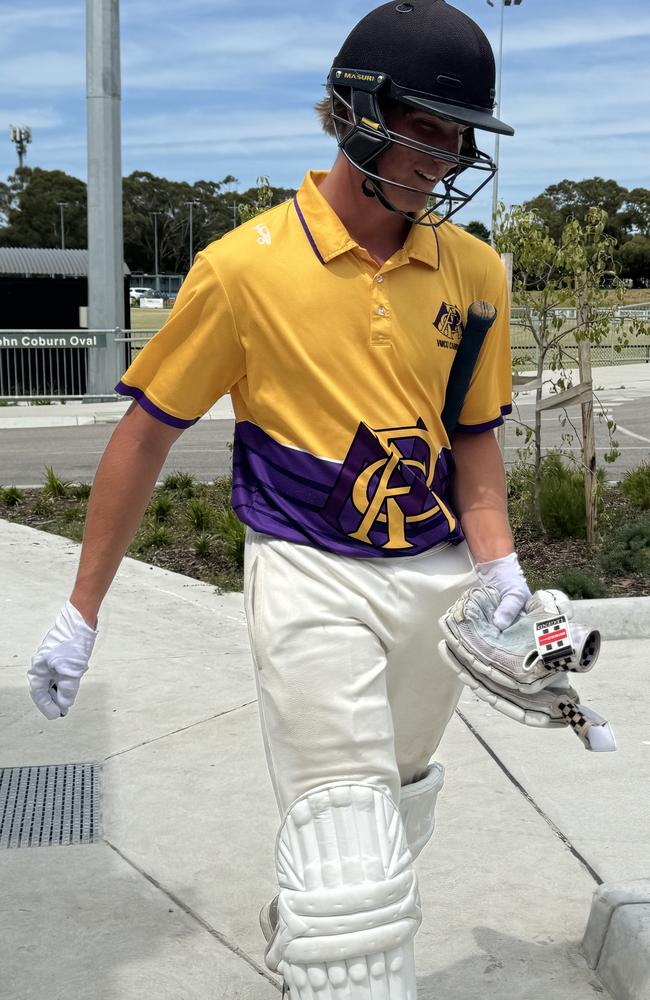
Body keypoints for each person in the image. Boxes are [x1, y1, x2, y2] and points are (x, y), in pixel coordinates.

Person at [28, 2, 532, 996]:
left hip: (429, 572)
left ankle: (307, 921)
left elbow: (469, 434)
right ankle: (334, 938)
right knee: (348, 841)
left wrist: (499, 564)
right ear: (353, 110)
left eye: (458, 133)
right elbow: (142, 435)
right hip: (307, 567)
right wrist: (80, 609)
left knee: (394, 800)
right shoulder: (241, 266)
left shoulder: (474, 273)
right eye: (425, 126)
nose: (446, 155)